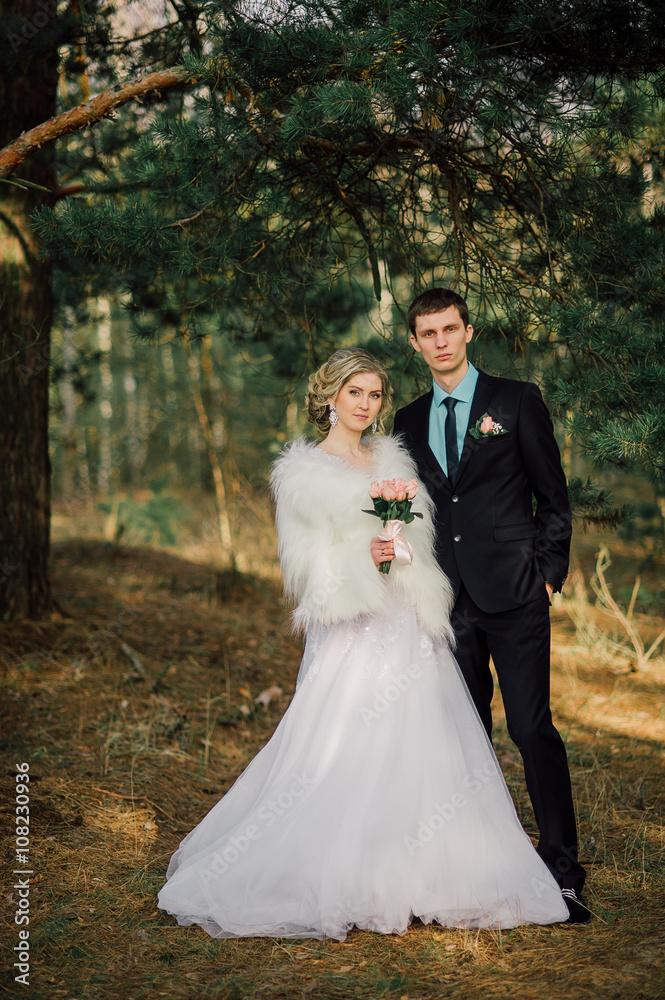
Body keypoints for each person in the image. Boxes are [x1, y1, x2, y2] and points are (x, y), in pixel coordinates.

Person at [156, 347, 569, 940]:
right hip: (353, 624)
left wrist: (404, 554)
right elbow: (305, 570)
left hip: (408, 617)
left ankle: (428, 870)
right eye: (355, 393)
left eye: (375, 394)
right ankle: (346, 868)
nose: (366, 405)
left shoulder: (394, 455)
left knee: (425, 738)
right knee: (345, 743)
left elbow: (424, 533)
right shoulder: (304, 474)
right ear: (328, 397)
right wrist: (362, 559)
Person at [393, 288, 590, 924]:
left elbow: (551, 496)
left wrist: (549, 574)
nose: (441, 341)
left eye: (450, 328)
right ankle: (477, 866)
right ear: (416, 342)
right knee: (463, 736)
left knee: (531, 730)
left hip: (515, 594)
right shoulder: (406, 418)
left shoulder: (515, 399)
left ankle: (562, 870)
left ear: (468, 331)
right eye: (429, 333)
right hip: (448, 601)